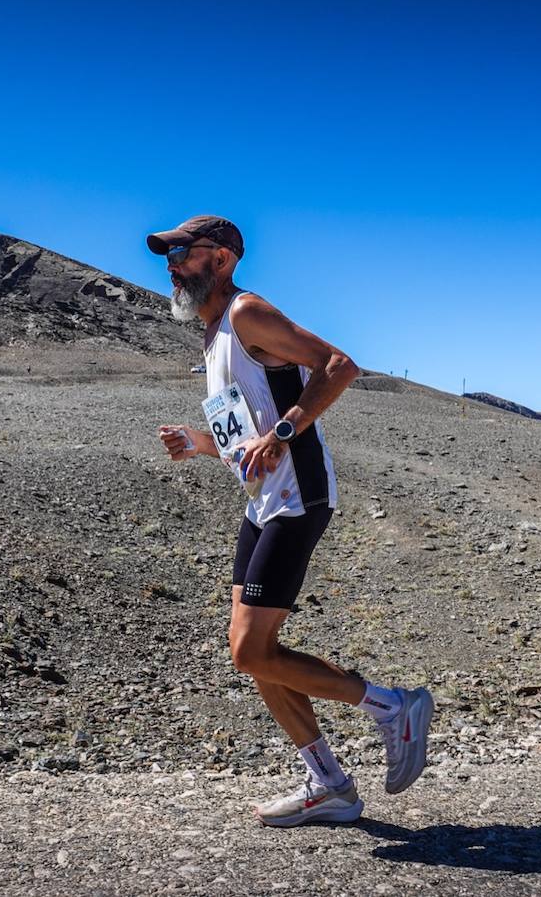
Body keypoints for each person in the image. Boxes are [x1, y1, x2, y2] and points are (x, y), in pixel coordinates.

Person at [151, 215, 433, 828]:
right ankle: (328, 783)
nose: (171, 264)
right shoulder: (213, 333)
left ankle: (392, 707)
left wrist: (286, 431)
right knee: (251, 653)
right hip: (261, 501)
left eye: (183, 252)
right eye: (167, 254)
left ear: (222, 259)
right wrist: (202, 443)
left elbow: (339, 364)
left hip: (297, 497)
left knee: (252, 649)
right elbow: (245, 425)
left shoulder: (248, 313)